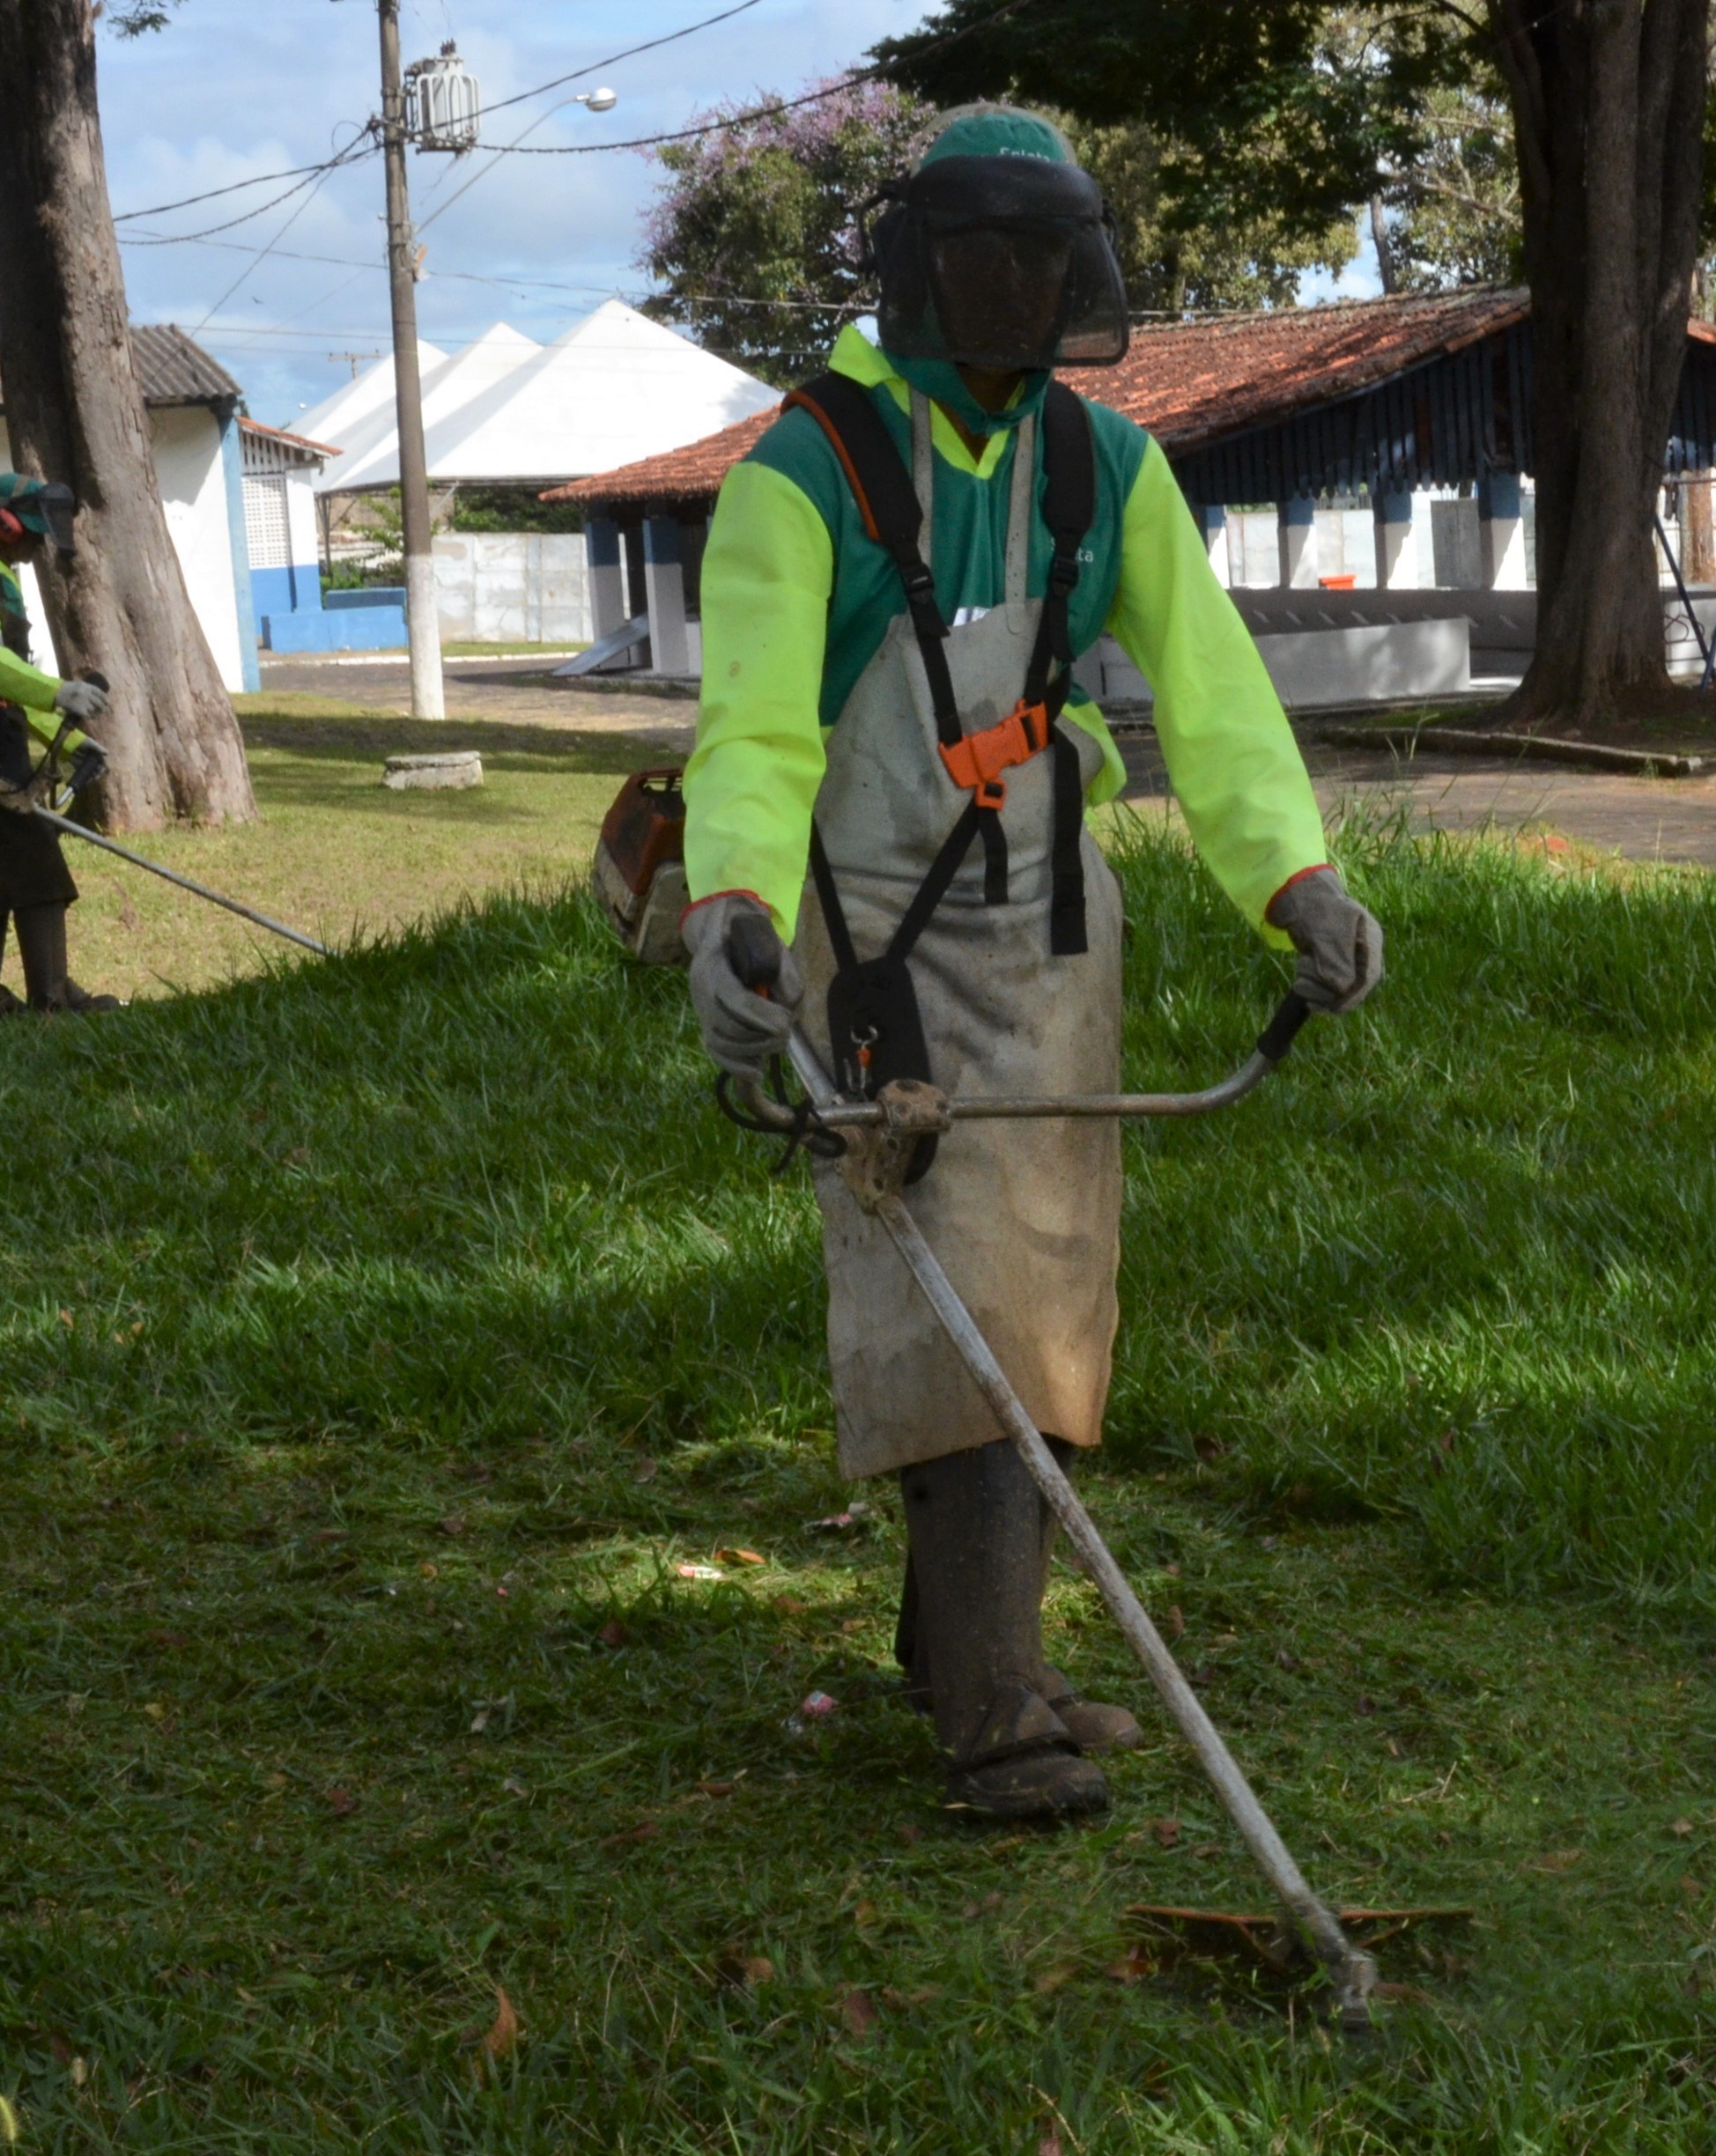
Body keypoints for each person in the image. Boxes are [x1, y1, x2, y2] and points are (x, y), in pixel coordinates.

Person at [677, 106, 1384, 1820]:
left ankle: (965, 1648)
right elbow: (756, 734)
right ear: (918, 269)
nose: (1015, 293)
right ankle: (993, 1707)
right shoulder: (810, 477)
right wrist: (733, 909)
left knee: (1046, 1311)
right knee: (959, 1302)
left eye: (1043, 261)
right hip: (871, 949)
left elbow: (1211, 698)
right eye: (982, 258)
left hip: (1054, 932)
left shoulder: (1102, 471)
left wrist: (1293, 878)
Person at [0, 471, 116, 1017]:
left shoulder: (2, 578)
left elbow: (8, 683)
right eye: (33, 532)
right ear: (5, 522)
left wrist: (73, 741)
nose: (38, 546)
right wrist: (61, 692)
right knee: (37, 866)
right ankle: (52, 1001)